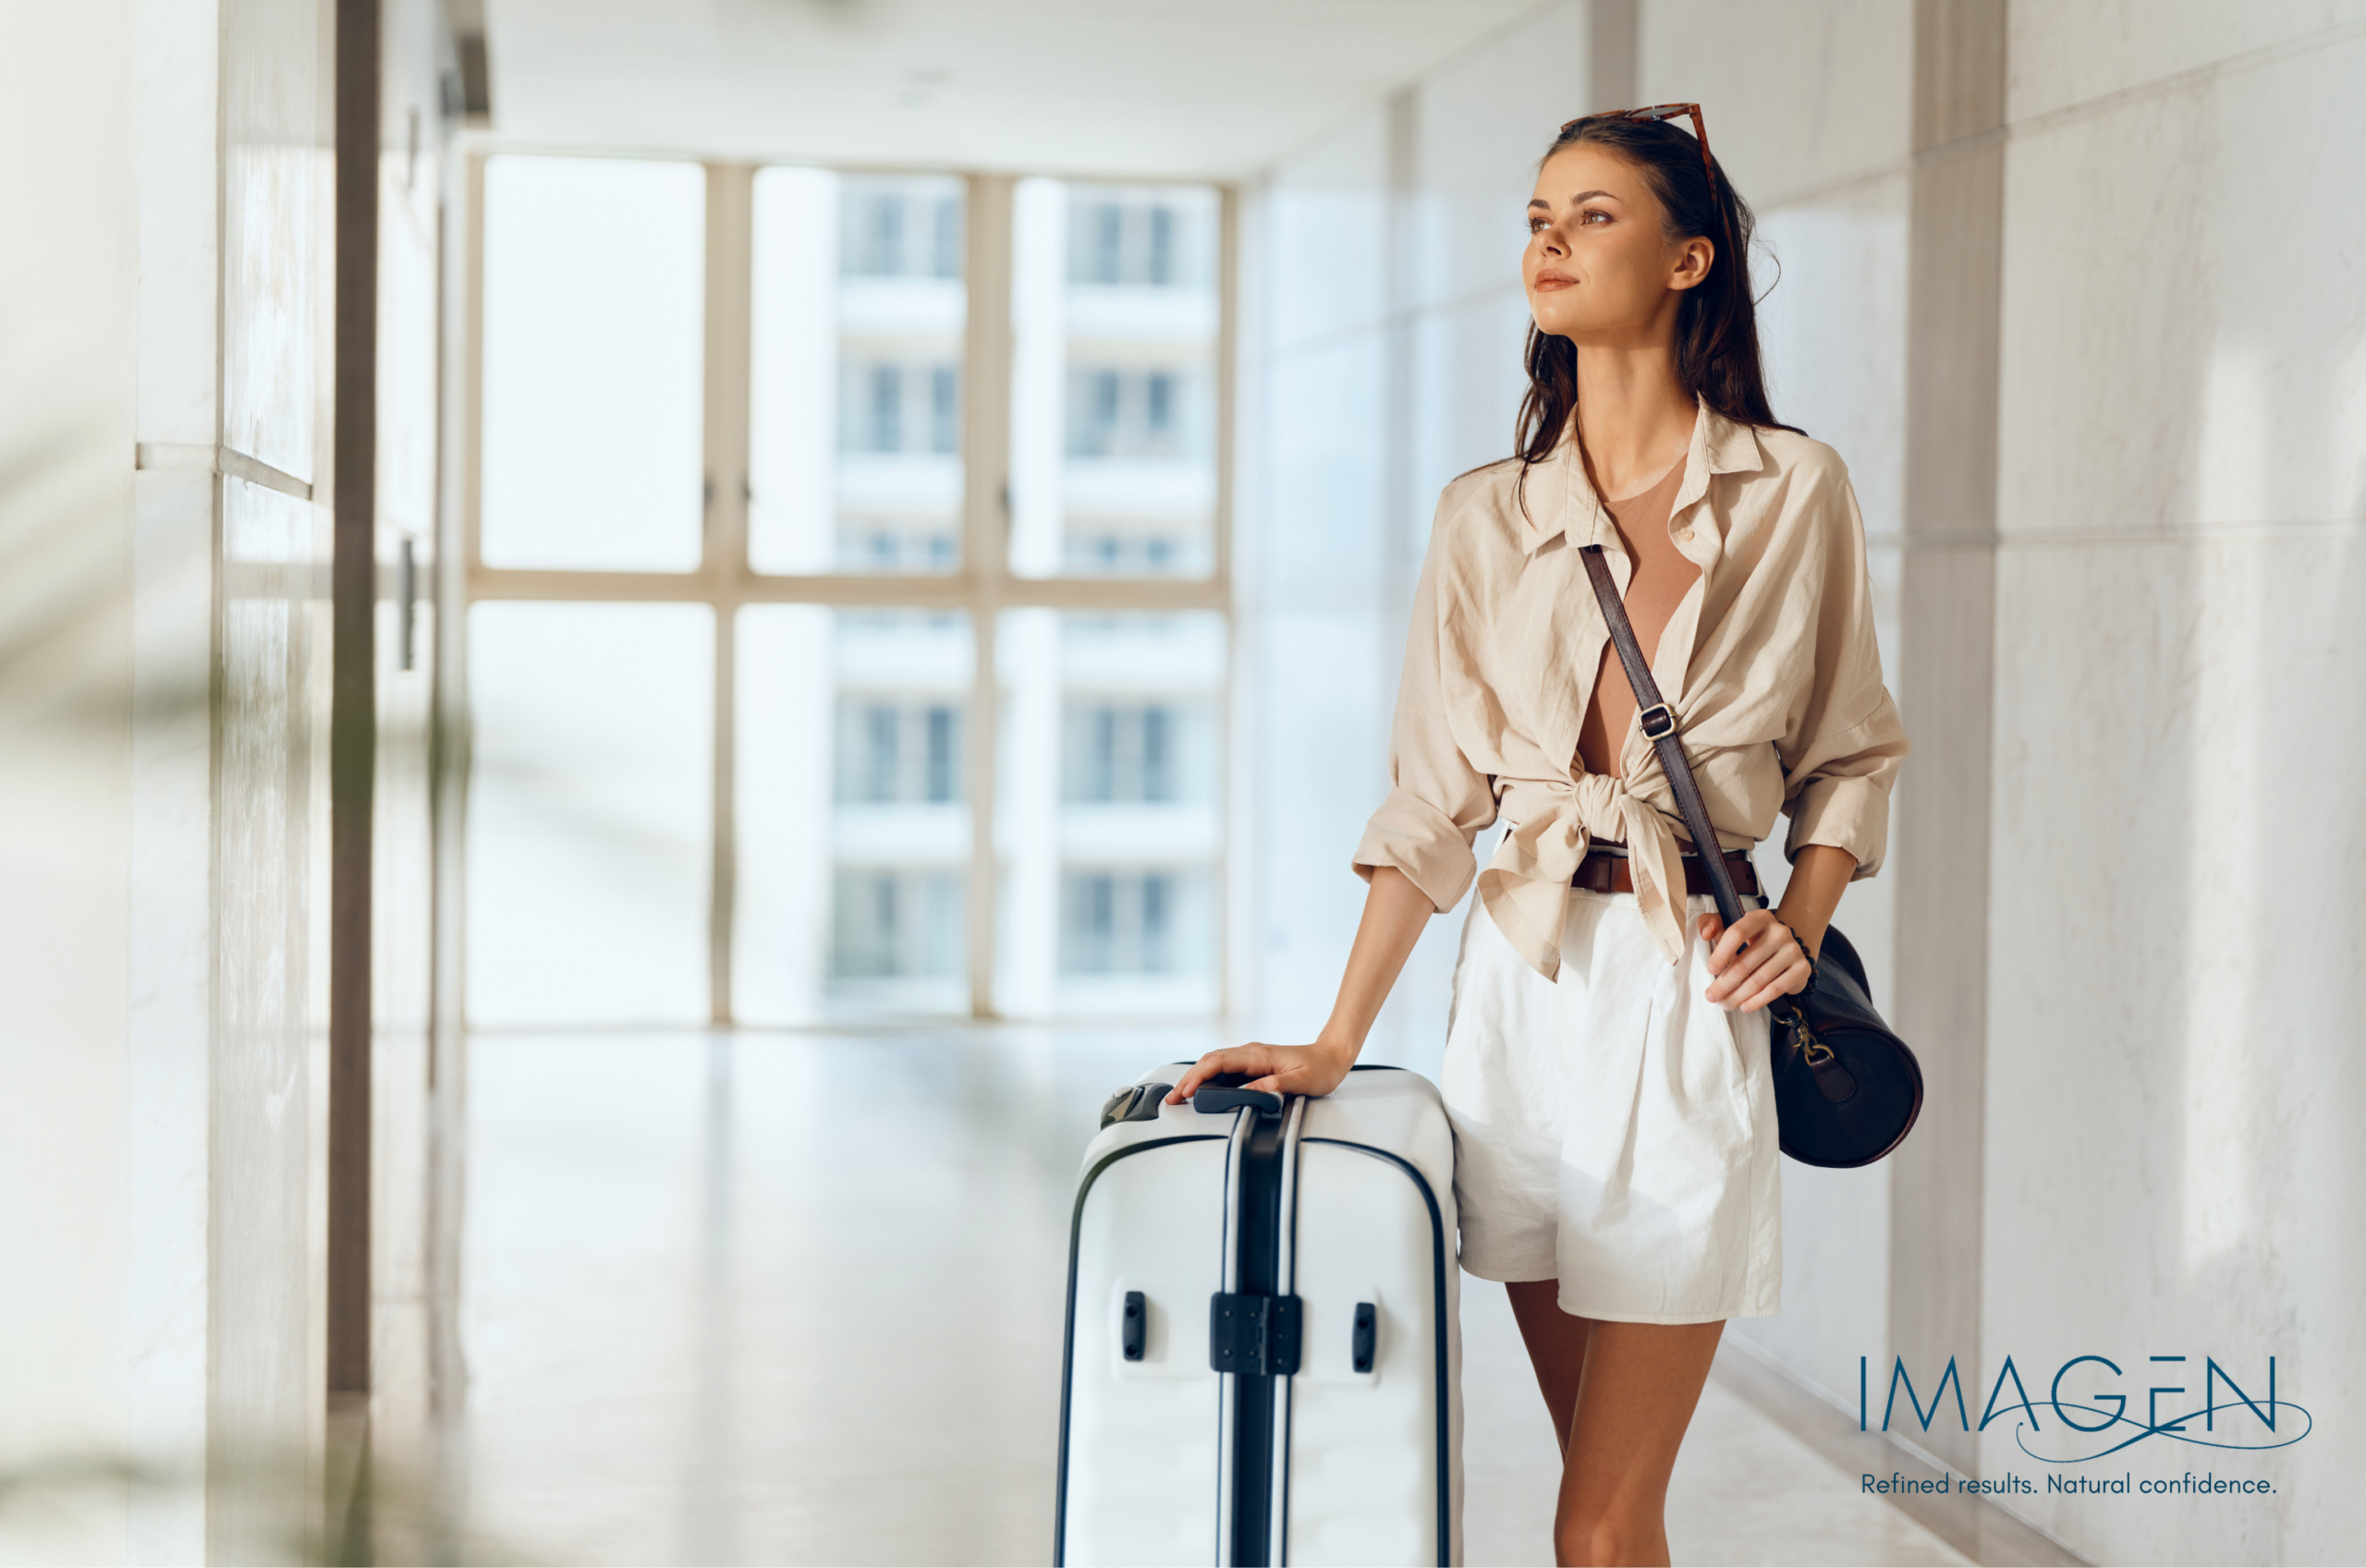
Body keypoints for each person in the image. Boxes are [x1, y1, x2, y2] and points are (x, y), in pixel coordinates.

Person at [1166, 106, 1909, 1566]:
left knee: (1598, 1518)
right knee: (1603, 1506)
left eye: (1593, 215)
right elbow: (1430, 804)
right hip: (1517, 998)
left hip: (1690, 993)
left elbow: (1853, 752)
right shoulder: (1485, 518)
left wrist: (1799, 929)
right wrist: (1334, 1042)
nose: (1550, 241)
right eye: (1535, 217)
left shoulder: (1791, 489)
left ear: (1691, 259)